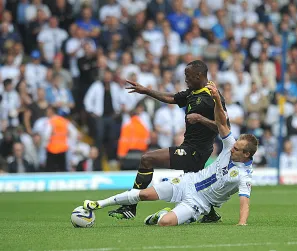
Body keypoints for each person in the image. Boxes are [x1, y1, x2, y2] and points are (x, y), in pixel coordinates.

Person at [83, 81, 258, 226]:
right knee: (144, 194)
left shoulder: (244, 176)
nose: (232, 148)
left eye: (237, 149)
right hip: (189, 182)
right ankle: (98, 204)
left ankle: (162, 215)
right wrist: (218, 100)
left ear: (246, 155)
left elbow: (245, 202)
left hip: (200, 202)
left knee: (164, 223)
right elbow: (222, 124)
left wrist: (242, 223)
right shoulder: (230, 145)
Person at [108, 60, 229, 223]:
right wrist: (146, 91)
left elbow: (224, 127)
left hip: (196, 150)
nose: (185, 79)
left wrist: (200, 119)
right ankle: (211, 214)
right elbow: (171, 98)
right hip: (191, 147)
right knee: (192, 184)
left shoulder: (212, 96)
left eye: (188, 76)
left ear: (199, 75)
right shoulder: (193, 92)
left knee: (147, 159)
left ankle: (130, 207)